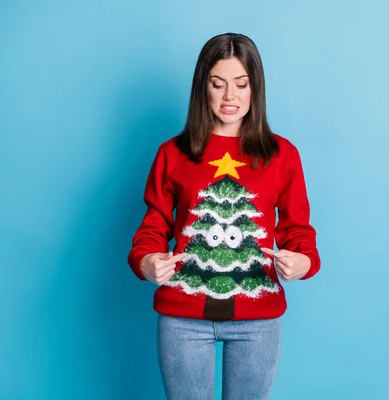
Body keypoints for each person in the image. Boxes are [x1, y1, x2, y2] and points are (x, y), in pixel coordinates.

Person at [127, 32, 321, 400]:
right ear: (204, 88)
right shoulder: (172, 154)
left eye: (241, 84)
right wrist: (146, 260)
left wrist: (303, 262)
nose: (230, 97)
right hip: (182, 319)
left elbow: (297, 229)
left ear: (255, 88)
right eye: (218, 84)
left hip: (258, 320)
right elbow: (153, 224)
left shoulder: (283, 155)